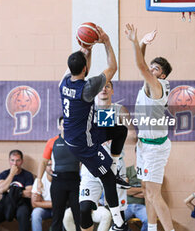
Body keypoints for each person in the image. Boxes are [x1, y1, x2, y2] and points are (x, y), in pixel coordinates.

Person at [59, 25, 128, 230]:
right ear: (85, 70)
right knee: (106, 176)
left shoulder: (63, 82)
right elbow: (113, 67)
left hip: (82, 132)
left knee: (120, 131)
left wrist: (86, 48)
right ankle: (118, 222)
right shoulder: (87, 89)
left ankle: (114, 165)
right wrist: (106, 42)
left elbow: (81, 67)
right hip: (83, 142)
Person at [125, 24, 174, 231]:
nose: (151, 70)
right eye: (151, 67)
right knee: (146, 190)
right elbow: (142, 65)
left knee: (154, 193)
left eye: (156, 69)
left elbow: (140, 66)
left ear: (162, 76)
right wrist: (143, 45)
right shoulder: (149, 83)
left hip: (155, 147)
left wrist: (138, 42)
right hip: (145, 146)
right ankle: (152, 229)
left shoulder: (157, 86)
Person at [78, 80, 136, 231]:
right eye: (101, 87)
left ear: (112, 91)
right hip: (92, 164)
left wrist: (114, 134)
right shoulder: (88, 110)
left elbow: (133, 136)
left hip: (114, 165)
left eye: (107, 86)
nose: (104, 89)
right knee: (84, 209)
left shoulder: (120, 109)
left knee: (118, 212)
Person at [38, 116, 81, 231]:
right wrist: (38, 180)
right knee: (57, 216)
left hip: (75, 182)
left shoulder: (78, 141)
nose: (65, 126)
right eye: (63, 124)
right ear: (59, 126)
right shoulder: (52, 142)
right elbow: (43, 162)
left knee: (79, 216)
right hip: (58, 182)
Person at [0, 149, 34, 231]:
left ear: (22, 161)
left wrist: (11, 191)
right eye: (12, 160)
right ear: (9, 161)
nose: (15, 163)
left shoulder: (28, 175)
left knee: (23, 213)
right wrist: (12, 174)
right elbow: (0, 190)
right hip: (6, 203)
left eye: (18, 160)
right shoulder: (4, 174)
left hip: (21, 203)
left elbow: (29, 193)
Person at [31, 159, 53, 231]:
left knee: (63, 213)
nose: (51, 167)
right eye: (49, 165)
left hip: (58, 209)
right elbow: (34, 203)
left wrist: (41, 201)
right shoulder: (39, 180)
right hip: (44, 209)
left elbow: (62, 203)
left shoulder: (62, 179)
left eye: (53, 165)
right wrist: (53, 203)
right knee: (36, 213)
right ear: (45, 167)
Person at [125, 164, 148, 231]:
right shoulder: (127, 171)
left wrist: (131, 191)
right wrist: (143, 189)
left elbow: (148, 192)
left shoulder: (148, 171)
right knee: (118, 221)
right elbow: (125, 191)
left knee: (149, 220)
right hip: (127, 206)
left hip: (142, 206)